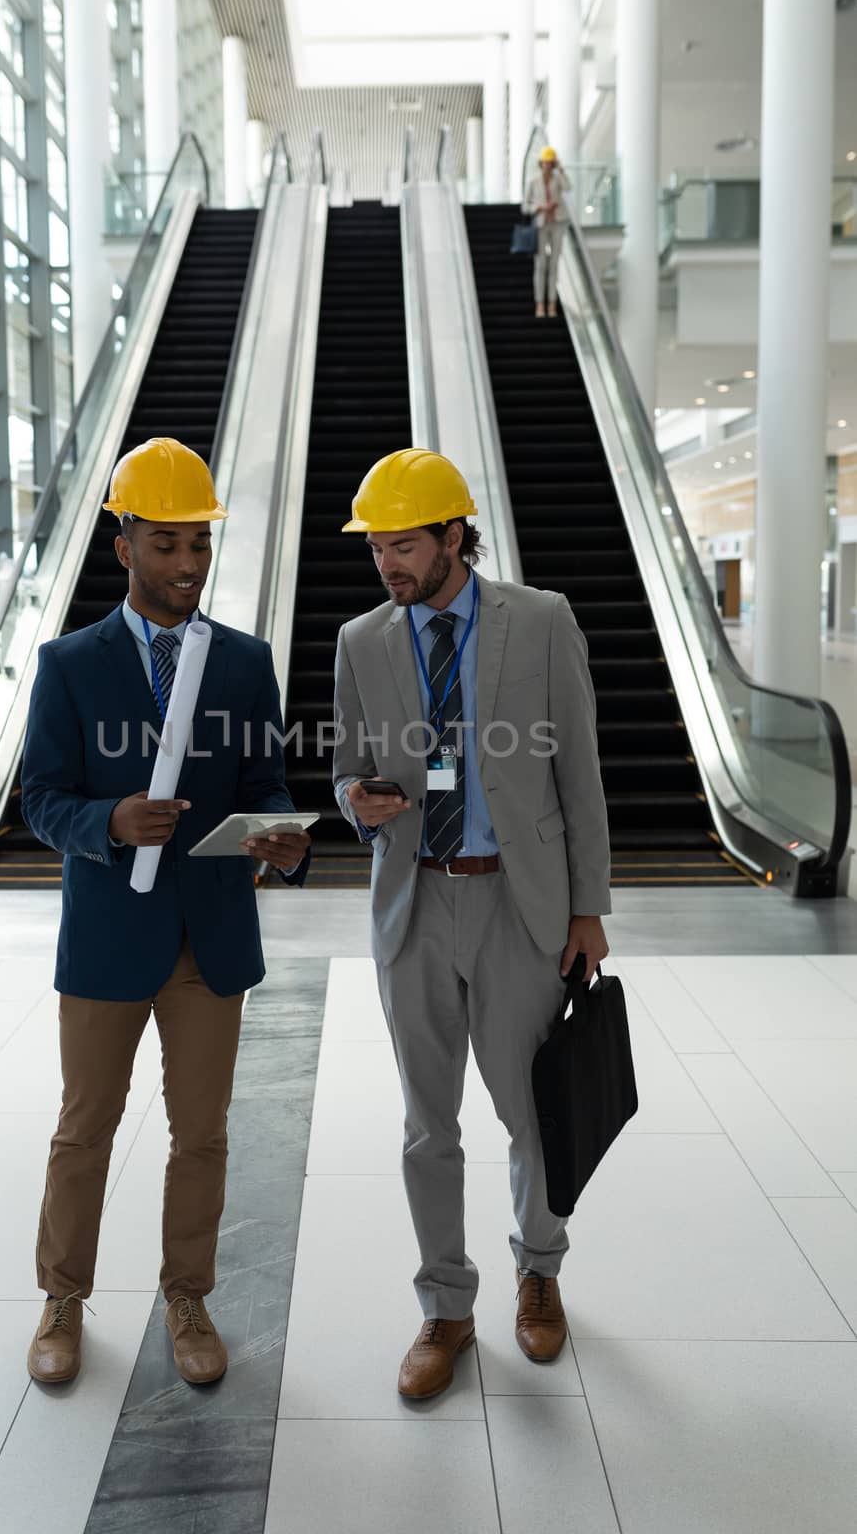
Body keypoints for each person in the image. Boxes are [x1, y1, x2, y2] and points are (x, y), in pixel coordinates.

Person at [20, 436, 310, 1388]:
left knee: (204, 1131)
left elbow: (266, 782)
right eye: (167, 545)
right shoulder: (70, 664)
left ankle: (188, 1296)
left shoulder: (243, 662)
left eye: (200, 544)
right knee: (84, 1127)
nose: (188, 564)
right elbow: (40, 799)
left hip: (210, 937)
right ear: (124, 547)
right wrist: (109, 819)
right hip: (108, 934)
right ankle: (62, 1298)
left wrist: (279, 835)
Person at [332, 447, 610, 1400]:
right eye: (376, 549)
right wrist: (353, 800)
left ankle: (539, 1272)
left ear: (454, 534)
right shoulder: (363, 640)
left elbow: (578, 772)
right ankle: (445, 1308)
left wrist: (587, 908)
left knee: (528, 1110)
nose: (387, 566)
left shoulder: (538, 621)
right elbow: (349, 764)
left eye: (402, 546)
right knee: (425, 1125)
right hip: (413, 902)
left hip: (516, 902)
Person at [523, 144, 571, 319]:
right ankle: (539, 304)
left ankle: (552, 304)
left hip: (557, 223)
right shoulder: (533, 181)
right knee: (540, 265)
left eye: (551, 163)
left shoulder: (558, 178)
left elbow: (568, 188)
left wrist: (561, 169)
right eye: (546, 162)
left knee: (554, 265)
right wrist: (540, 207)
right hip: (541, 224)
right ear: (541, 163)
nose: (548, 166)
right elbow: (525, 207)